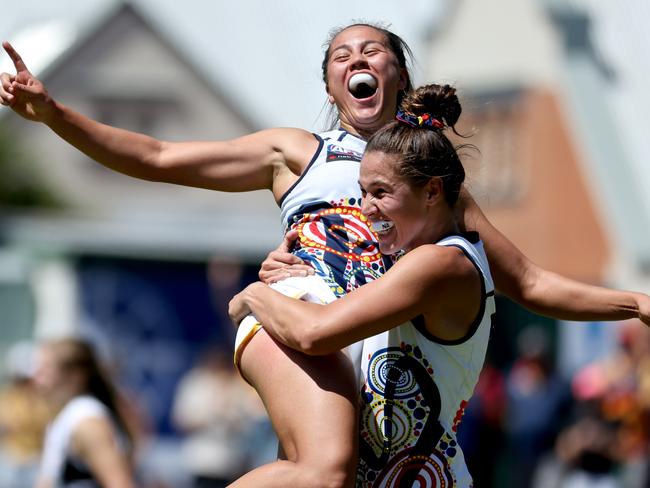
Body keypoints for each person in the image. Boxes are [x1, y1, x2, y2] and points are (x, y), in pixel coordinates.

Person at [2, 22, 649, 485]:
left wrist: (635, 302)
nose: (356, 57)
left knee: (352, 465)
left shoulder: (438, 194)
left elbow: (531, 280)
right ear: (332, 83)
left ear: (398, 73)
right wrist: (55, 113)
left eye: (372, 48)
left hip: (364, 352)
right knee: (325, 468)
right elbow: (159, 156)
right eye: (341, 53)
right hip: (297, 314)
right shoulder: (298, 151)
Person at [229, 82, 495, 485]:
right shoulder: (406, 258)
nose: (366, 209)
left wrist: (254, 294)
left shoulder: (441, 263)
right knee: (319, 472)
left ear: (432, 191)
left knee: (320, 474)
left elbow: (314, 332)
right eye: (362, 193)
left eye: (380, 194)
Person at [32, 338, 136, 488]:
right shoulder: (69, 414)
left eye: (45, 369)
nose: (36, 377)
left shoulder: (87, 421)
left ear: (76, 376)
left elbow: (119, 484)